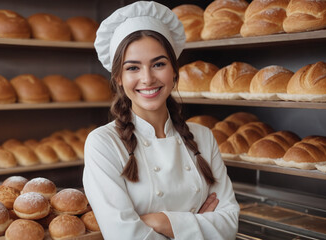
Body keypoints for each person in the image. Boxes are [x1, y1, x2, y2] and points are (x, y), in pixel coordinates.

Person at [82, 1, 240, 239]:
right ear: (119, 78)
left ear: (174, 71)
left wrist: (163, 222)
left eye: (158, 64)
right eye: (133, 68)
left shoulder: (203, 137)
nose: (147, 78)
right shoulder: (103, 143)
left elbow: (229, 224)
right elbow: (124, 235)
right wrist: (198, 223)